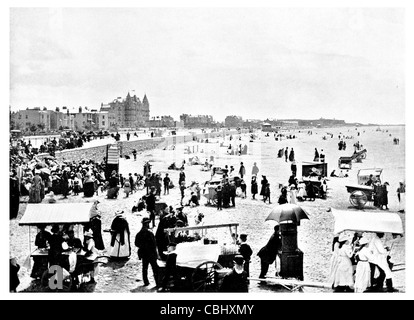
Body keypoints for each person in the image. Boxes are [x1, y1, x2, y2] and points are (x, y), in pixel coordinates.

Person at [134, 217, 159, 287]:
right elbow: (154, 244)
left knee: (144, 268)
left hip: (144, 253)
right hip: (151, 253)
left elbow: (136, 244)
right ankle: (157, 282)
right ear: (147, 224)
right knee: (155, 268)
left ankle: (146, 282)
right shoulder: (150, 233)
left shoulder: (139, 233)